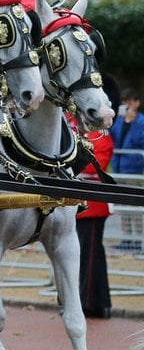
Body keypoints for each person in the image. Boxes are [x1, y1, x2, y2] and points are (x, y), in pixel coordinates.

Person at [70, 114, 115, 319]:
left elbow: (96, 166)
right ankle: (95, 302)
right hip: (75, 204)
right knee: (82, 256)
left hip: (93, 205)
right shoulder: (74, 132)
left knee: (89, 256)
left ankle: (89, 303)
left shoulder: (100, 136)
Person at [110, 87, 144, 253]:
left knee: (135, 207)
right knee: (122, 206)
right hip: (118, 169)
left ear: (137, 103)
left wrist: (131, 122)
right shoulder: (119, 121)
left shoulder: (141, 122)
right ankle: (126, 238)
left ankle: (137, 240)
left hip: (134, 170)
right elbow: (112, 136)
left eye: (129, 103)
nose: (127, 106)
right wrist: (122, 120)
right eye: (124, 103)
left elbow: (141, 141)